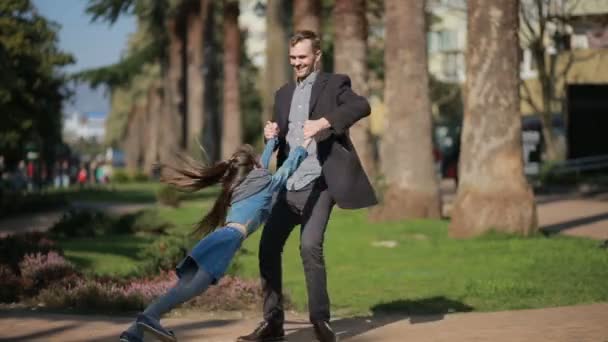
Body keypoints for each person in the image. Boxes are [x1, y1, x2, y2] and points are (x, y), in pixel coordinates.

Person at [238, 30, 377, 342]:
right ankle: (272, 324)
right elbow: (279, 141)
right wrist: (270, 134)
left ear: (316, 56)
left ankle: (320, 322)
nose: (297, 63)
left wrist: (324, 122)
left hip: (320, 184)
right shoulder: (283, 94)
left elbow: (362, 106)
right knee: (267, 248)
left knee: (309, 246)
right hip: (289, 185)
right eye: (293, 58)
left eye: (302, 57)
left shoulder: (335, 84)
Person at [119, 135, 312, 342]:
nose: (261, 166)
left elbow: (262, 168)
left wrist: (272, 143)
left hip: (218, 237)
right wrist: (303, 146)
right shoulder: (264, 184)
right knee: (193, 288)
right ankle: (149, 318)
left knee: (182, 286)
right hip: (227, 241)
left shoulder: (243, 185)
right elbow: (286, 169)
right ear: (254, 169)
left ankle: (133, 333)